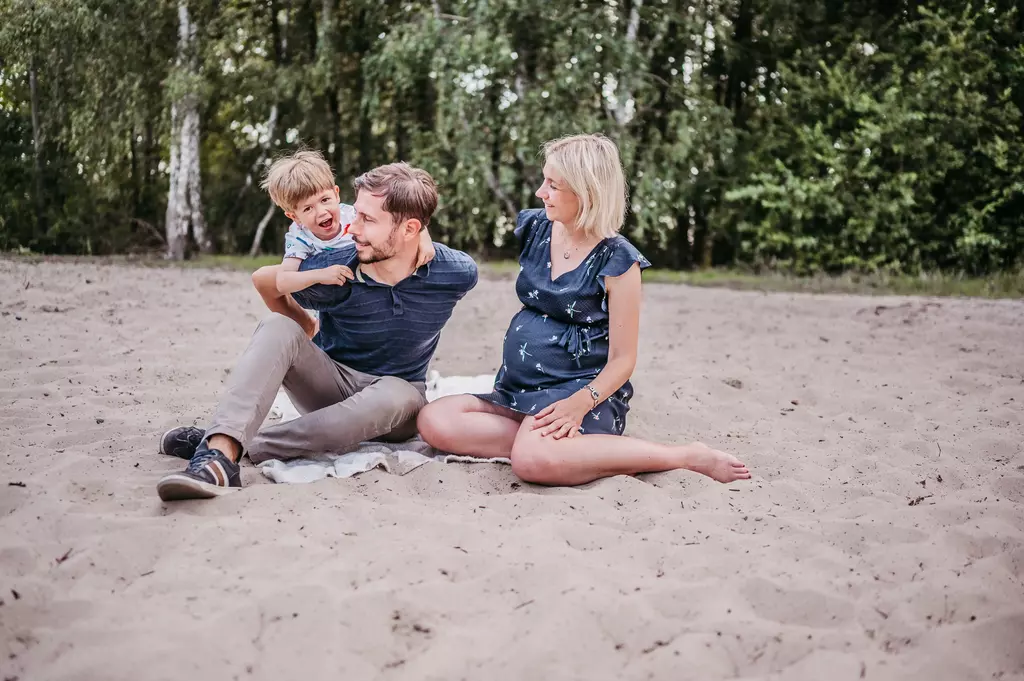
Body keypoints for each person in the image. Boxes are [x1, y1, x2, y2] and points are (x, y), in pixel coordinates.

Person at [417, 134, 750, 486]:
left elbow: (623, 360)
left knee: (532, 462)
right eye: (544, 180)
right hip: (517, 389)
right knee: (434, 420)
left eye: (553, 185)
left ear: (587, 192)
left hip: (580, 392)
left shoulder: (618, 261)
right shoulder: (536, 228)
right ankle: (560, 447)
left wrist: (580, 403)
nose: (540, 192)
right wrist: (422, 234)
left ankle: (683, 456)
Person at [156, 161, 478, 501]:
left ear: (410, 229)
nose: (353, 228)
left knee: (396, 394)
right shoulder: (333, 270)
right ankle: (220, 455)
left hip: (398, 406)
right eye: (356, 214)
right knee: (277, 326)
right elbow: (267, 281)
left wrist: (422, 235)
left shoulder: (454, 273)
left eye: (366, 219)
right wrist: (307, 324)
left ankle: (241, 442)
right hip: (331, 387)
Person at [250, 150, 435, 339]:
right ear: (294, 216)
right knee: (325, 338)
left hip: (371, 285)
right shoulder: (300, 237)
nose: (321, 212)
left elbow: (399, 221)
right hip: (332, 300)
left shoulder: (353, 215)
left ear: (336, 194)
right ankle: (309, 329)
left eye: (325, 200)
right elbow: (283, 281)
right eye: (308, 208)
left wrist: (423, 236)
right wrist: (321, 275)